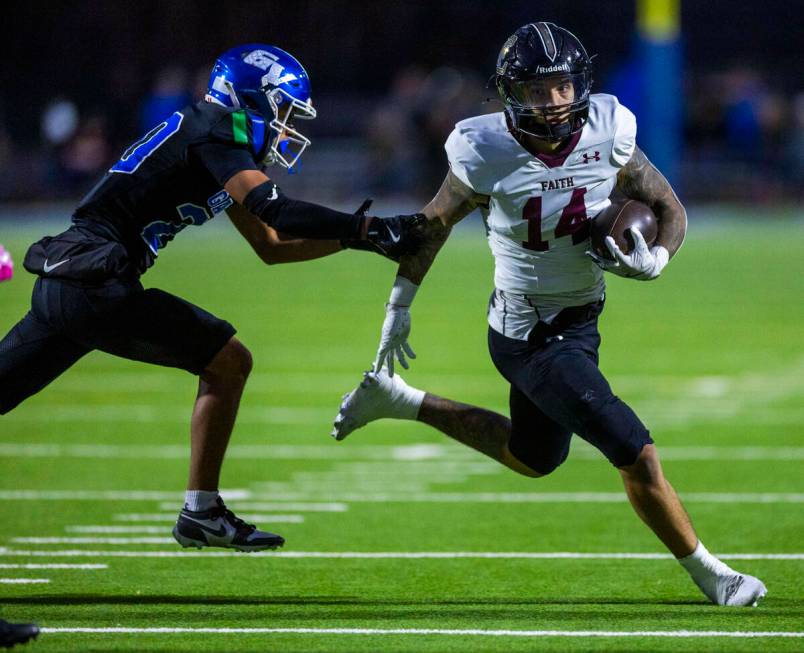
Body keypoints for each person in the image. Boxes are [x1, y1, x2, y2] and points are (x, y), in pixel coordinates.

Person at [332, 23, 766, 607]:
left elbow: (668, 205)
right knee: (631, 446)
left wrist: (659, 256)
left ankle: (399, 399)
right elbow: (430, 228)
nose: (553, 102)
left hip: (580, 322)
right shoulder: (483, 149)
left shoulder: (609, 130)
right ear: (511, 93)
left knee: (533, 458)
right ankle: (712, 575)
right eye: (537, 91)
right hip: (530, 333)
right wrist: (398, 307)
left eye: (561, 87)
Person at [0, 44, 422, 552]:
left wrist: (357, 239)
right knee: (228, 361)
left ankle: (202, 512)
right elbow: (280, 212)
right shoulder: (216, 127)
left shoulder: (212, 138)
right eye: (284, 110)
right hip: (94, 280)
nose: (288, 126)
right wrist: (371, 227)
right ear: (250, 98)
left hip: (72, 282)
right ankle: (201, 512)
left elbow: (272, 245)